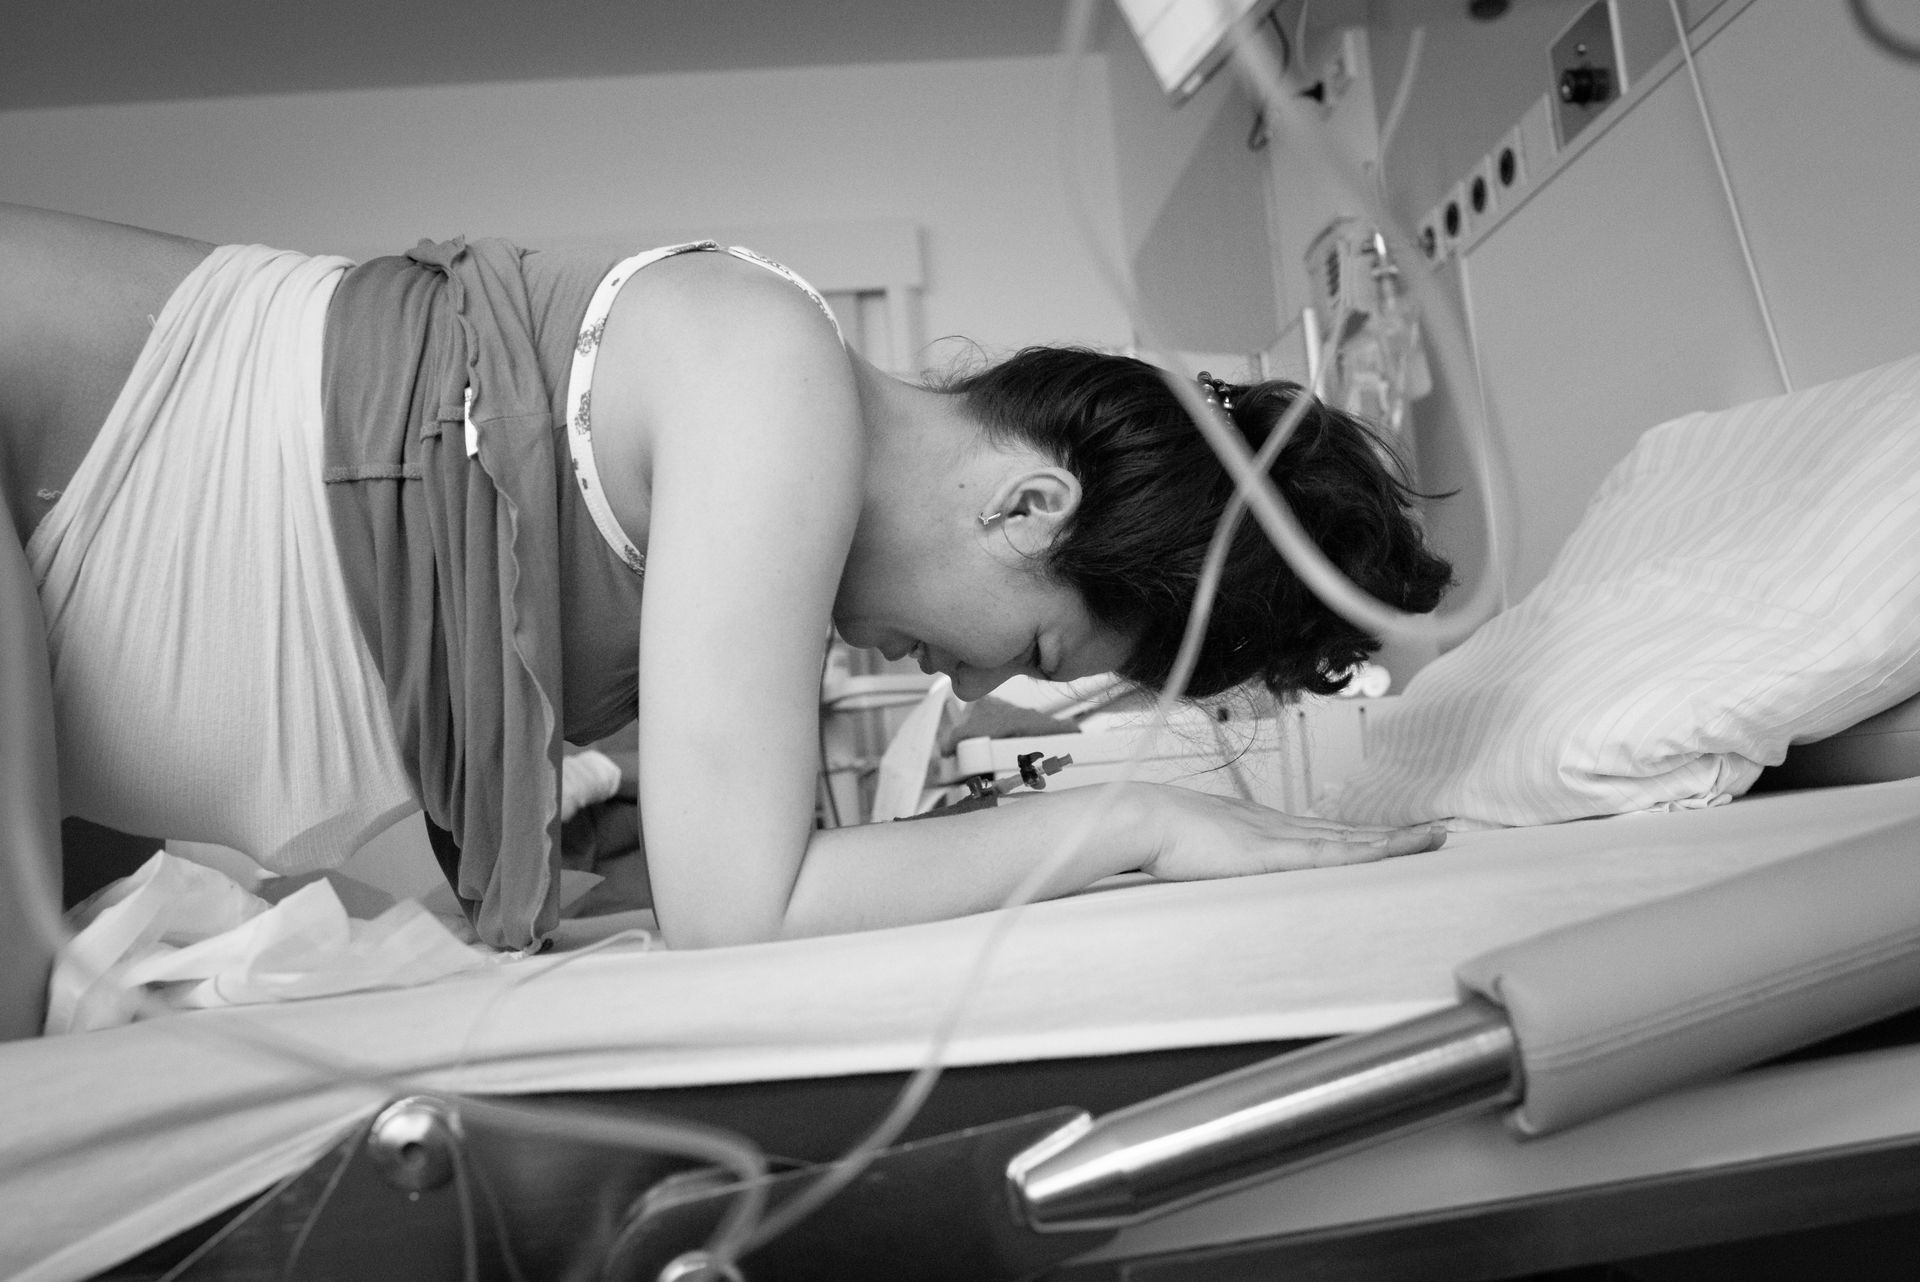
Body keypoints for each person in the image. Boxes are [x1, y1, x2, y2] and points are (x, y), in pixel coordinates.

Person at [0, 201, 1452, 965]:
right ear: (1029, 506)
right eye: (1037, 649)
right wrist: (1137, 820)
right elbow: (735, 914)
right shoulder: (770, 371)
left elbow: (664, 881)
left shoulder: (744, 525)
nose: (970, 690)